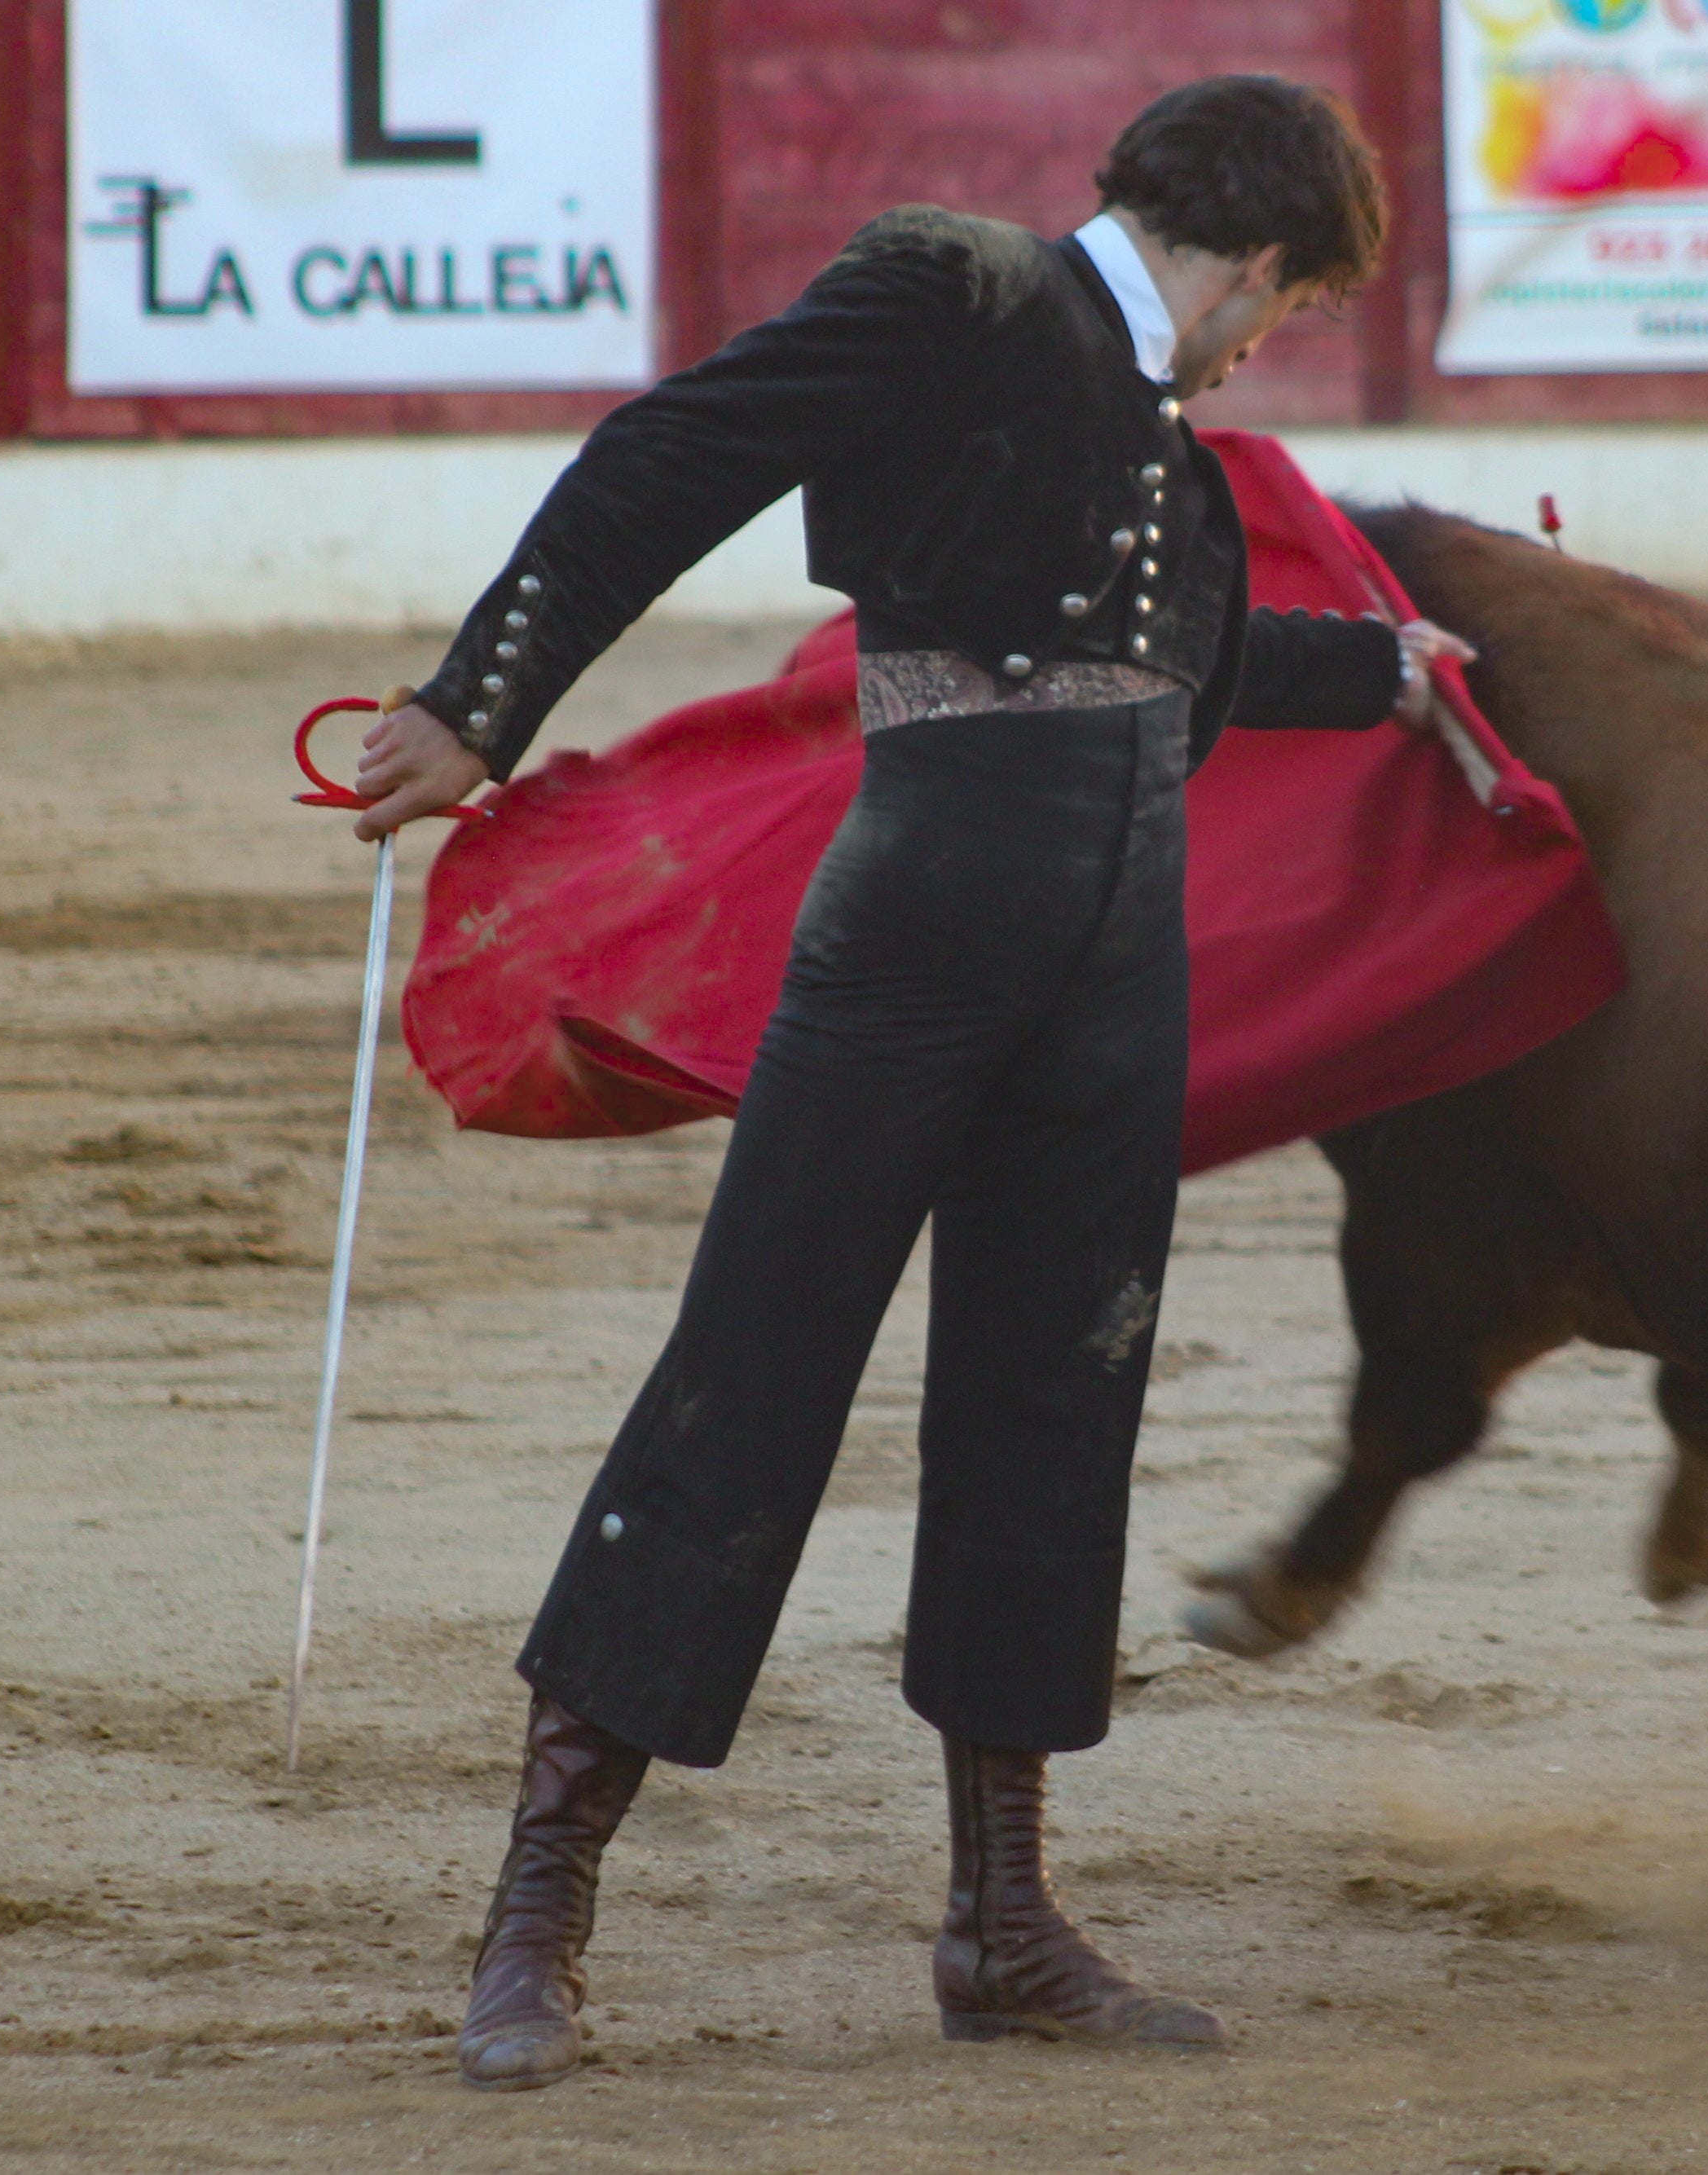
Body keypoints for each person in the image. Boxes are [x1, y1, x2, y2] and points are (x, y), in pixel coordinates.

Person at [348, 75, 1474, 2089]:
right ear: (1254, 262)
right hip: (915, 949)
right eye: (1293, 309)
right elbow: (671, 453)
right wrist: (476, 702)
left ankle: (1002, 1926)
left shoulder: (1164, 446)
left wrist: (1394, 674)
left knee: (1055, 1408)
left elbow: (1183, 679)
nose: (1269, 346)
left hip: (1114, 968)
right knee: (752, 1374)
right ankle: (537, 1916)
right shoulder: (957, 289)